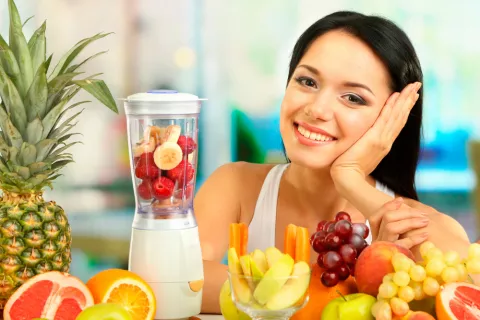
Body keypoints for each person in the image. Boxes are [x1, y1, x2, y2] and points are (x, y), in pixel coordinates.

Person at [195, 11, 473, 313]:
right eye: (307, 81)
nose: (317, 109)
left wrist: (352, 178)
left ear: (393, 119)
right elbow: (176, 280)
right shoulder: (235, 185)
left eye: (353, 98)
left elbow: (466, 292)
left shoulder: (407, 220)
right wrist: (325, 297)